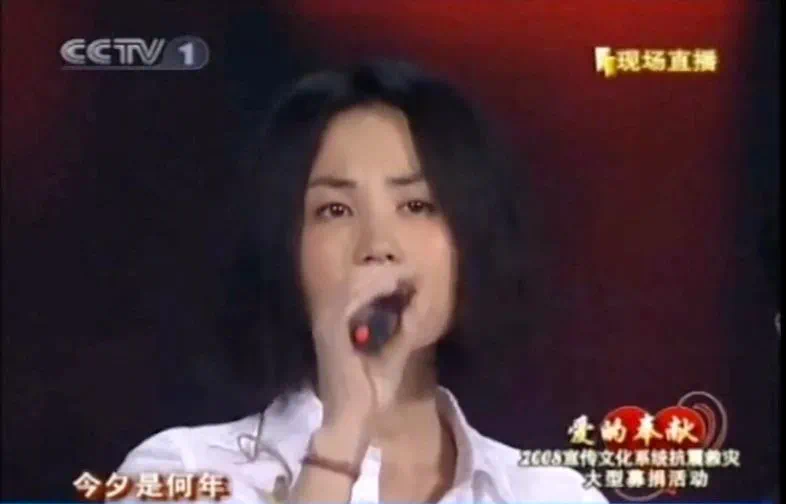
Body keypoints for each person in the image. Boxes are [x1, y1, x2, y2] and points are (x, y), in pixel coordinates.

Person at [118, 59, 607, 503]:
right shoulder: (182, 474)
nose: (378, 245)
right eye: (335, 210)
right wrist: (342, 434)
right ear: (284, 245)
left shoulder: (552, 494)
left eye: (416, 205)